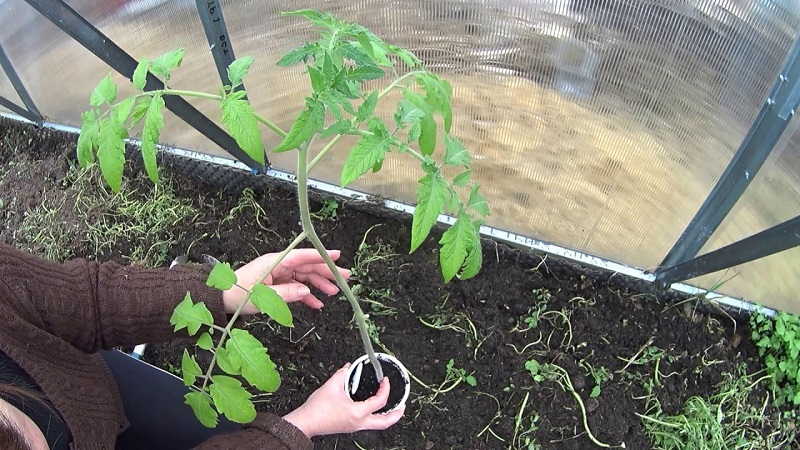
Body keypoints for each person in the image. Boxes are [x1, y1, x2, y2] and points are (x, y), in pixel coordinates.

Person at [0, 243, 405, 449]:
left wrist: (227, 291)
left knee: (223, 426)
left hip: (85, 390)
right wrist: (302, 425)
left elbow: (87, 299)